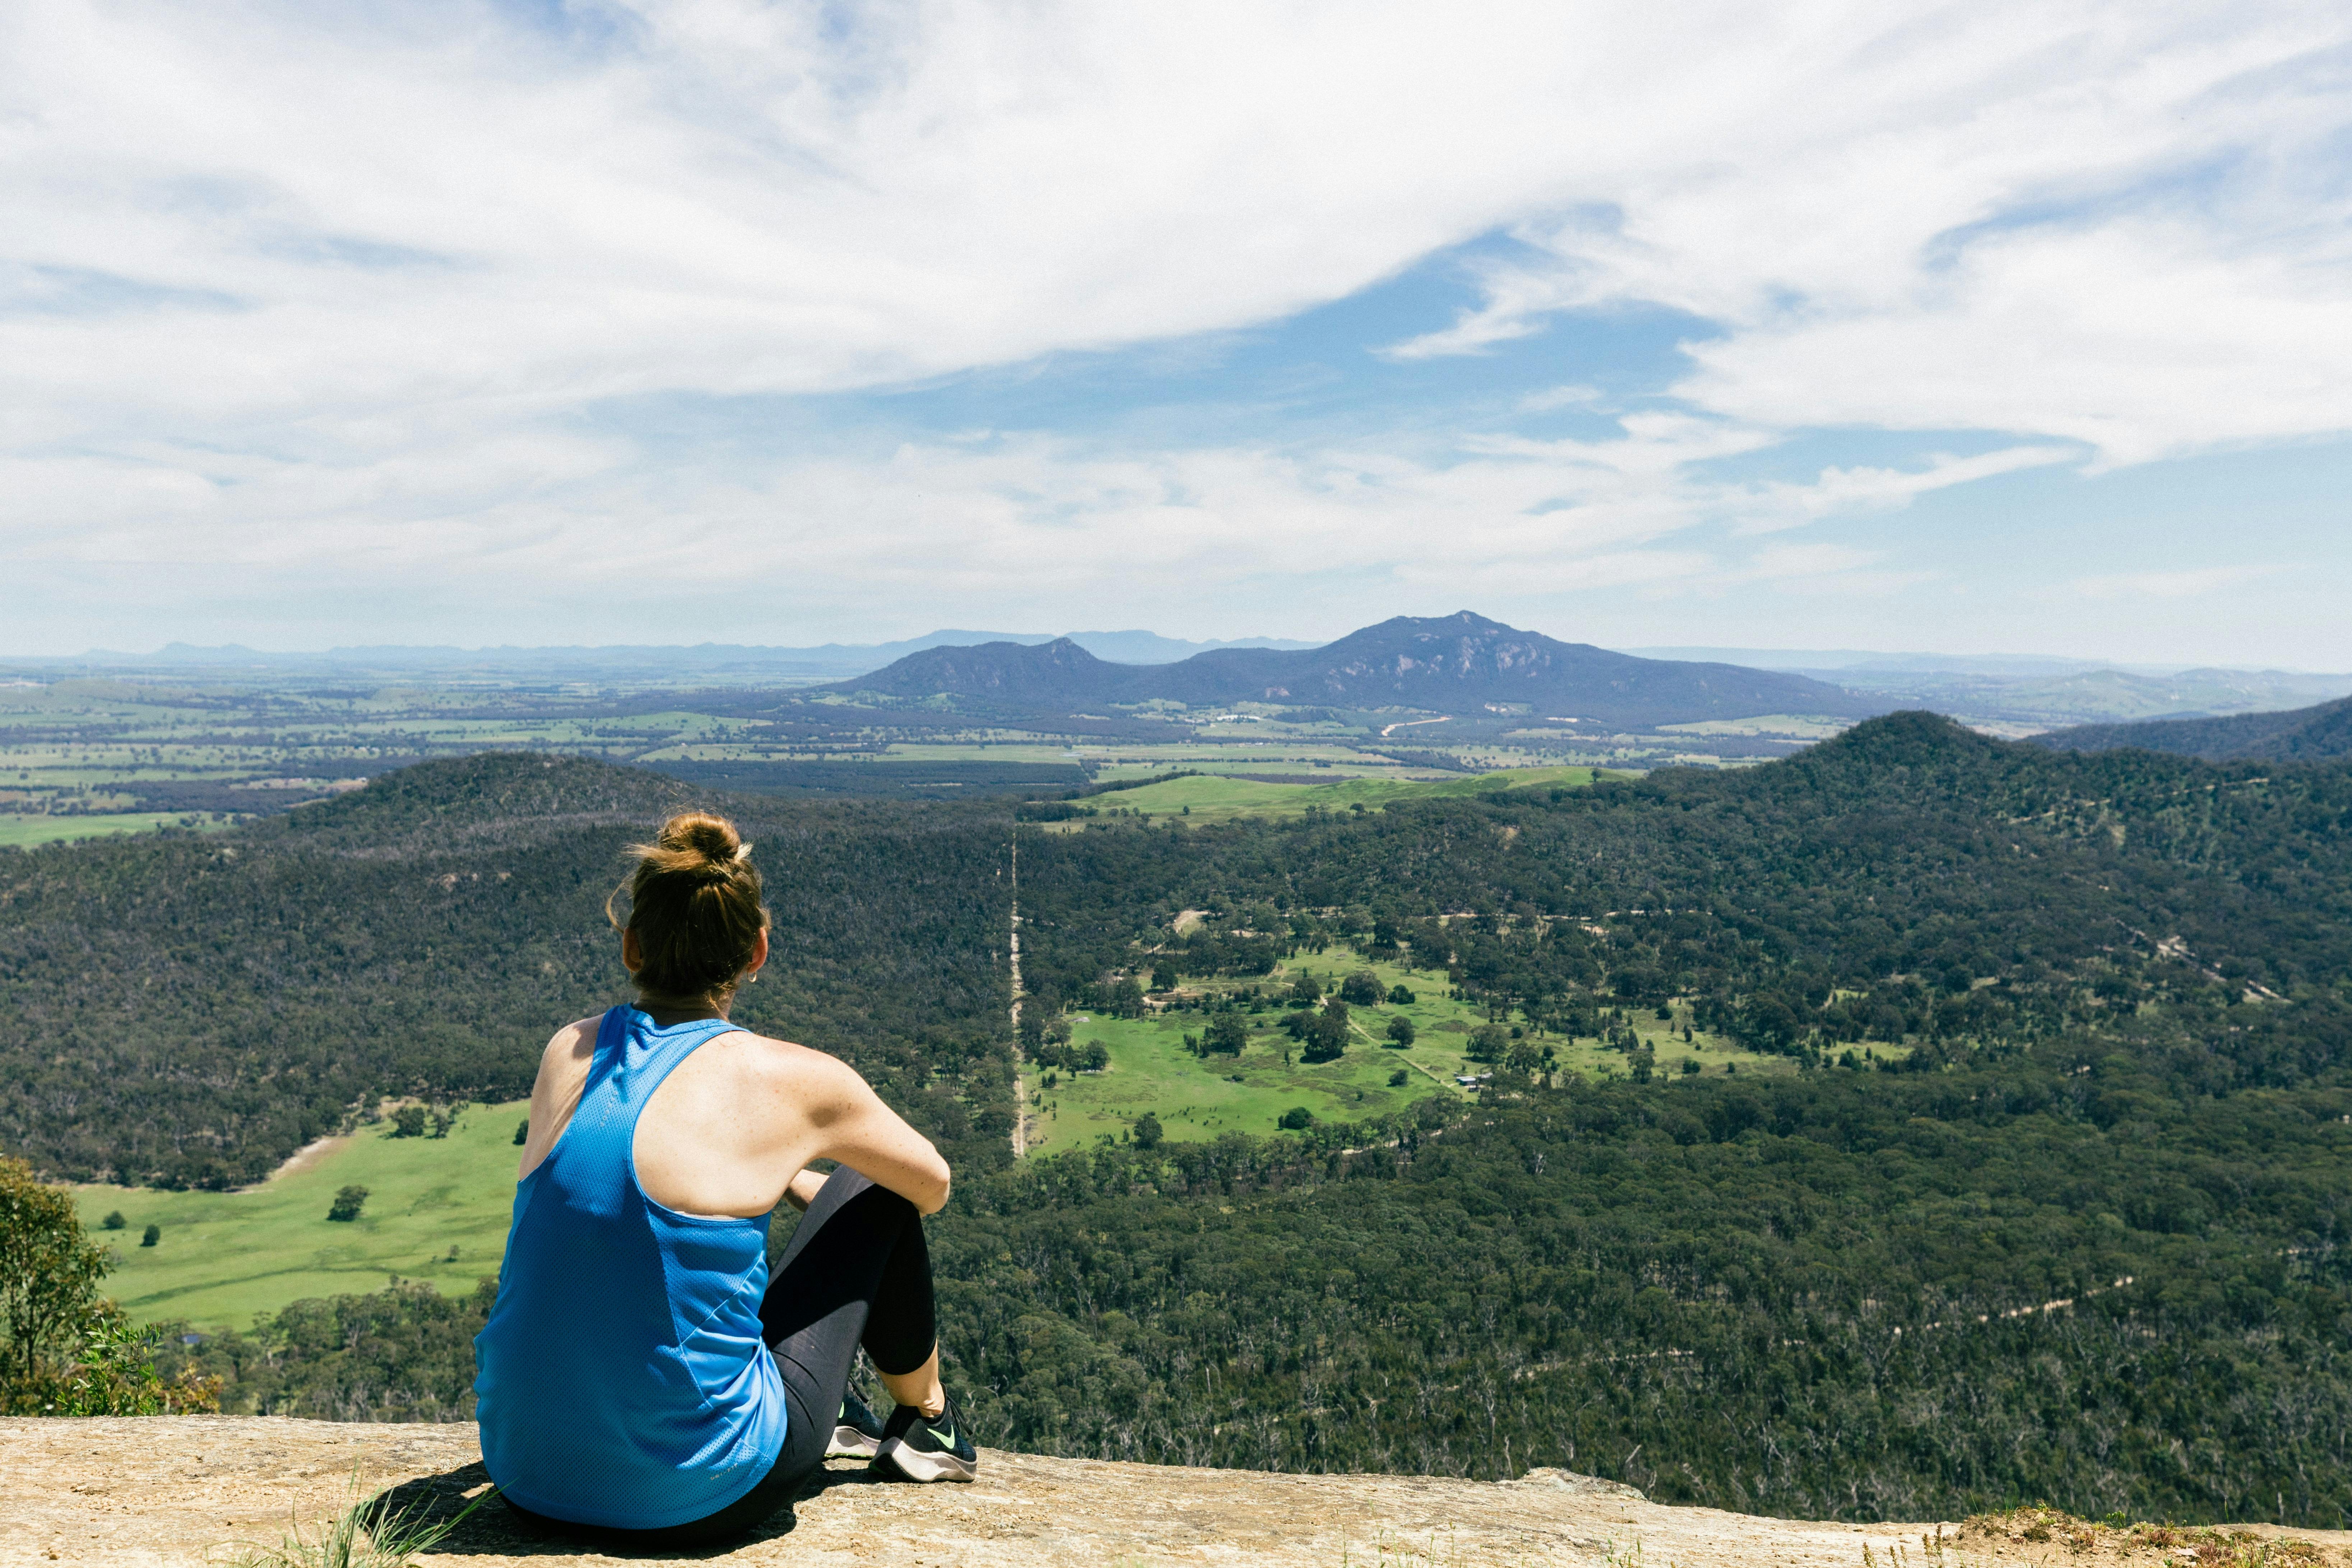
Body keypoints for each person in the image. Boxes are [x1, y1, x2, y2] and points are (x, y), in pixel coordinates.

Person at [474, 810, 974, 1548]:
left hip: (527, 1477)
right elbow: (929, 1186)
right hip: (705, 1493)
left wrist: (787, 1176)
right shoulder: (795, 1081)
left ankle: (844, 1412)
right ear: (756, 951)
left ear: (631, 945)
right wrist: (813, 1180)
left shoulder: (569, 1053)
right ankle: (927, 1421)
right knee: (877, 1188)